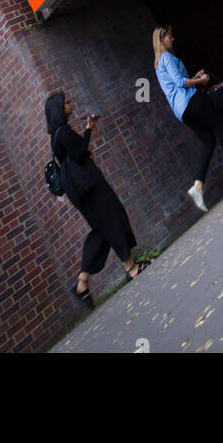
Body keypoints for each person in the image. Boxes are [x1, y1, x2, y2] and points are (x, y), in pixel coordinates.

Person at [44, 90, 142, 309]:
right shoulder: (63, 133)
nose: (71, 104)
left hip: (82, 190)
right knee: (112, 218)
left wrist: (87, 131)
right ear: (60, 109)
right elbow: (79, 154)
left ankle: (82, 281)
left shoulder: (57, 136)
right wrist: (88, 130)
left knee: (102, 230)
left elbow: (75, 154)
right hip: (89, 186)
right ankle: (131, 268)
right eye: (67, 102)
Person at [153, 26, 223, 213]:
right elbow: (181, 83)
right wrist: (201, 81)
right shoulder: (167, 58)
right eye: (170, 36)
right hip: (192, 101)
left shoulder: (158, 65)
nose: (173, 39)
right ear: (161, 40)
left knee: (208, 141)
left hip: (182, 112)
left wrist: (194, 77)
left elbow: (177, 83)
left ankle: (197, 187)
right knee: (220, 128)